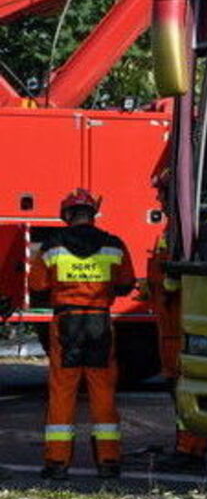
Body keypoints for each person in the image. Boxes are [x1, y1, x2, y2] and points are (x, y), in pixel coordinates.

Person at [27, 189, 135, 480]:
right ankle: (109, 461)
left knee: (63, 392)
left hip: (66, 323)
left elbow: (36, 287)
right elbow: (126, 284)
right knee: (102, 391)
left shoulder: (52, 247)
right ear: (92, 214)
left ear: (67, 215)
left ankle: (57, 463)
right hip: (99, 323)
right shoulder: (113, 245)